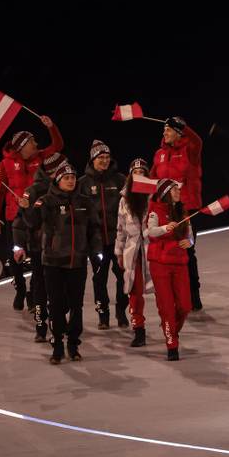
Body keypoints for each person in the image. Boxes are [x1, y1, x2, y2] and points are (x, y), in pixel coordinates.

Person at [0, 114, 64, 309]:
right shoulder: (4, 164)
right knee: (15, 256)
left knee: (38, 257)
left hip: (37, 216)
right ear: (22, 145)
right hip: (14, 217)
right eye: (32, 142)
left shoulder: (41, 157)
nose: (36, 144)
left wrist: (51, 127)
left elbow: (58, 146)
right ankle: (20, 289)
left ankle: (33, 292)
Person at [33, 163, 102, 364]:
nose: (71, 181)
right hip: (53, 263)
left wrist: (95, 251)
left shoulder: (84, 202)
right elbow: (32, 223)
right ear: (57, 181)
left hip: (77, 262)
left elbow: (94, 229)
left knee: (76, 306)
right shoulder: (46, 201)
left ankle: (73, 345)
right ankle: (57, 347)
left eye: (73, 177)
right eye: (66, 178)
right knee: (56, 306)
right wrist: (27, 208)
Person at [13, 149, 68, 343]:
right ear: (53, 171)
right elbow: (20, 221)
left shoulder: (67, 187)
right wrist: (18, 246)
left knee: (62, 289)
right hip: (39, 248)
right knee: (40, 288)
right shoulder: (33, 191)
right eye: (62, 168)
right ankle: (40, 327)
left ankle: (58, 323)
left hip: (62, 249)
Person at [150, 116, 204, 310]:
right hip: (165, 209)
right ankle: (175, 294)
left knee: (187, 249)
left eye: (169, 129)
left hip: (186, 208)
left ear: (178, 132)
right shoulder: (159, 154)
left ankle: (193, 295)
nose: (165, 132)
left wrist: (184, 126)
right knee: (169, 249)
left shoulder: (189, 150)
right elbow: (153, 179)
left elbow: (198, 141)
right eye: (164, 129)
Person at [78, 140, 128, 329]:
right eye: (101, 158)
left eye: (107, 157)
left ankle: (121, 312)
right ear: (93, 159)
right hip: (96, 242)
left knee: (123, 277)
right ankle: (103, 315)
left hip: (118, 240)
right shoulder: (82, 183)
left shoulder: (119, 180)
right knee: (99, 278)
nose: (105, 161)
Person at [145, 179, 193, 361]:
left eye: (177, 189)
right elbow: (150, 232)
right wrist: (166, 227)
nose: (177, 192)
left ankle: (171, 329)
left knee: (185, 306)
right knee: (167, 307)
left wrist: (189, 242)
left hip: (180, 262)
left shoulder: (183, 210)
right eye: (174, 189)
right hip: (160, 264)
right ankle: (171, 343)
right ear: (165, 192)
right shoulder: (155, 210)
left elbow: (190, 233)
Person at [115, 158, 154, 347]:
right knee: (134, 293)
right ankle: (139, 330)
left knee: (163, 293)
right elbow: (120, 228)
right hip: (133, 252)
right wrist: (119, 252)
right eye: (135, 172)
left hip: (153, 251)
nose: (139, 175)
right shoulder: (124, 199)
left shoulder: (155, 196)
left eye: (143, 172)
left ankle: (170, 327)